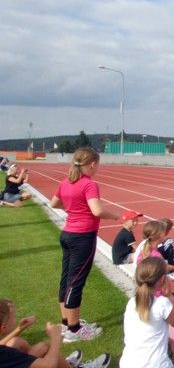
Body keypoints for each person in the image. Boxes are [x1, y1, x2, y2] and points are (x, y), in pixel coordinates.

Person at [50, 147, 119, 342]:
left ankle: (66, 322)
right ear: (93, 164)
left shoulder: (65, 182)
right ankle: (74, 330)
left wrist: (74, 207)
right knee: (76, 282)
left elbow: (54, 203)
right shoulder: (89, 184)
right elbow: (96, 211)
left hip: (67, 234)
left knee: (66, 279)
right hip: (83, 237)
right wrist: (116, 216)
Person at [0, 298, 110, 368]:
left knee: (17, 342)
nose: (16, 319)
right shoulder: (4, 354)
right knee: (44, 349)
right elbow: (49, 364)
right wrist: (56, 338)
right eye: (13, 318)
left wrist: (19, 329)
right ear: (3, 327)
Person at [119, 257, 174, 368]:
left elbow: (145, 332)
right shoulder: (162, 303)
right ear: (163, 280)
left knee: (143, 366)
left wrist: (170, 341)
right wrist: (169, 295)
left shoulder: (132, 302)